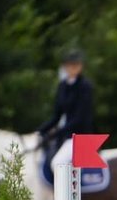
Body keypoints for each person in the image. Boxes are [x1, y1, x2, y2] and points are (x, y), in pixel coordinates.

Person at [37, 46, 95, 176]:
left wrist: (56, 132)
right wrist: (40, 131)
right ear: (65, 66)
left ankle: (70, 195)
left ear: (81, 66)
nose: (73, 68)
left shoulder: (85, 86)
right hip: (65, 136)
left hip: (81, 136)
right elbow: (56, 116)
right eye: (70, 65)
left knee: (58, 163)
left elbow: (80, 118)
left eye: (76, 65)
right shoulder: (62, 86)